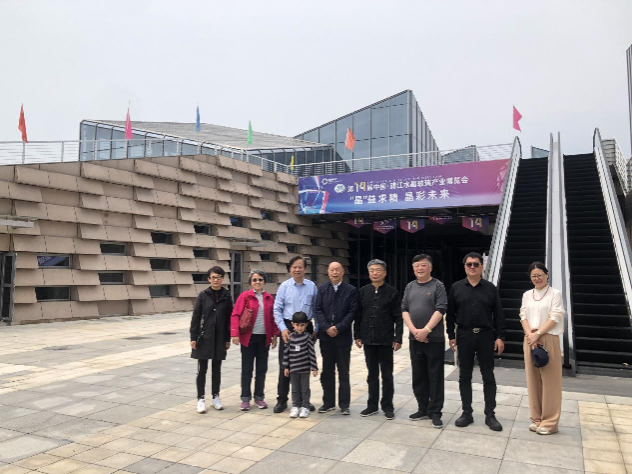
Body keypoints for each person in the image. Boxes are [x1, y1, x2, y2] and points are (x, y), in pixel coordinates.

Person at [447, 252, 505, 431]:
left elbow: (498, 314)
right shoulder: (456, 287)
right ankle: (467, 412)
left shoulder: (490, 288)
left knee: (488, 376)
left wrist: (500, 336)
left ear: (482, 267)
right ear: (464, 267)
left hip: (485, 335)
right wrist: (451, 335)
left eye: (476, 264)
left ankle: (490, 414)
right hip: (464, 335)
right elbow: (450, 314)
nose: (472, 267)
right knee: (464, 375)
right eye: (469, 264)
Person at [401, 254, 448, 429]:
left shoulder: (438, 286)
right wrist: (414, 331)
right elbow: (404, 309)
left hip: (433, 339)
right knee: (418, 375)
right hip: (415, 338)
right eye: (416, 266)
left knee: (435, 376)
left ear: (430, 267)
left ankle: (435, 412)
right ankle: (423, 408)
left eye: (423, 265)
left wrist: (426, 330)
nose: (419, 268)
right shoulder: (410, 286)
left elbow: (441, 309)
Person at [519, 262, 564, 435]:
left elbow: (555, 316)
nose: (537, 278)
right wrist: (530, 335)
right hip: (530, 339)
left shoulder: (555, 294)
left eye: (540, 275)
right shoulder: (527, 295)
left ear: (547, 275)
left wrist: (538, 334)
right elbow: (523, 315)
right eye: (534, 276)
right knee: (533, 380)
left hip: (548, 337)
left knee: (551, 381)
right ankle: (536, 419)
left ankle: (550, 422)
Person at [355, 259, 403, 420]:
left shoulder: (392, 292)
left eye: (378, 270)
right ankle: (372, 405)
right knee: (372, 374)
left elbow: (398, 317)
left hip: (385, 339)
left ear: (384, 273)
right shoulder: (363, 291)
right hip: (368, 339)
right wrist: (357, 335)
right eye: (372, 270)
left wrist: (398, 338)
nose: (374, 273)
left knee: (387, 374)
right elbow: (358, 315)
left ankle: (388, 406)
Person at [273, 256, 318, 413]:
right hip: (288, 327)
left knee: (304, 365)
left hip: (306, 327)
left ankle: (304, 401)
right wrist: (282, 329)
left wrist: (316, 329)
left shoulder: (312, 286)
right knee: (286, 364)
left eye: (300, 267)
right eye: (294, 267)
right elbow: (277, 309)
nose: (297, 269)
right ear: (290, 269)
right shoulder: (284, 286)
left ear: (305, 269)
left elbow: (316, 309)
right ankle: (282, 400)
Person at [231, 270, 279, 411]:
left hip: (264, 338)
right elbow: (235, 315)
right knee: (247, 369)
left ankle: (259, 397)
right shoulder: (245, 296)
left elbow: (273, 318)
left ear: (264, 282)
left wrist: (275, 335)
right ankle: (245, 398)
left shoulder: (269, 298)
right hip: (248, 338)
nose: (257, 282)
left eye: (260, 279)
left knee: (261, 369)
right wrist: (235, 333)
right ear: (250, 283)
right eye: (254, 280)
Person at [314, 262, 357, 415]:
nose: (334, 272)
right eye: (332, 270)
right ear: (328, 271)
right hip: (326, 338)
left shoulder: (350, 290)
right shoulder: (322, 289)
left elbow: (352, 312)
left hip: (342, 337)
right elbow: (318, 310)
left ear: (343, 271)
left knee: (343, 371)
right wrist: (326, 327)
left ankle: (344, 404)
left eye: (337, 270)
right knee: (327, 371)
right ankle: (328, 403)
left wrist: (338, 328)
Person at [190, 266, 233, 414]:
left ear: (223, 279)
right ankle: (200, 399)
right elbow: (196, 317)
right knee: (202, 369)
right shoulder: (203, 295)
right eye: (213, 277)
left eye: (219, 277)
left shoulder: (226, 296)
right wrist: (193, 337)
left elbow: (229, 318)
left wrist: (227, 338)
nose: (216, 280)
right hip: (204, 337)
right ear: (209, 279)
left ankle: (215, 397)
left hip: (220, 337)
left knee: (217, 369)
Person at [283, 311, 319, 418]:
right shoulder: (290, 337)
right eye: (297, 325)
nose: (299, 328)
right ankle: (295, 406)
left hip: (304, 369)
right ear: (293, 324)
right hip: (293, 369)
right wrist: (286, 366)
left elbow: (311, 353)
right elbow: (286, 353)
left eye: (302, 325)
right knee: (295, 389)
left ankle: (305, 407)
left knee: (305, 389)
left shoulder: (308, 337)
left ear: (306, 325)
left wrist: (314, 367)